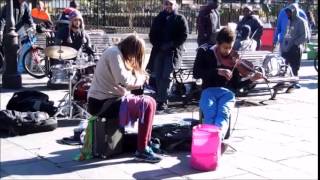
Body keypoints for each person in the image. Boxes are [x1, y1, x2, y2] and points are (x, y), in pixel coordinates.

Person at [87, 34, 162, 163]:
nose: (135, 57)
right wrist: (142, 79)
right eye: (136, 53)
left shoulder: (120, 54)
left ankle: (146, 144)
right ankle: (141, 150)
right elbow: (123, 80)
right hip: (101, 103)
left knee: (152, 102)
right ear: (132, 49)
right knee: (146, 105)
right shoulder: (114, 53)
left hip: (112, 99)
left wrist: (140, 76)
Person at [193, 27, 263, 140]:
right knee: (210, 112)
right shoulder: (204, 51)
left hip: (227, 93)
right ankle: (209, 141)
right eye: (225, 47)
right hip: (208, 90)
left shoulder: (234, 58)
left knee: (223, 113)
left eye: (230, 47)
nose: (228, 51)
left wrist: (251, 79)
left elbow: (236, 85)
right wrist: (217, 71)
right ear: (218, 43)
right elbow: (196, 73)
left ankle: (216, 140)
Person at [148, 0, 188, 110]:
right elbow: (152, 35)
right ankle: (160, 98)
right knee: (158, 75)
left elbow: (184, 35)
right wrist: (159, 44)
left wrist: (171, 44)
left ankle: (162, 100)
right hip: (159, 51)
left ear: (175, 5)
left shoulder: (180, 18)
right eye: (166, 4)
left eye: (171, 4)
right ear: (163, 5)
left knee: (166, 76)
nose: (168, 6)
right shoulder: (159, 17)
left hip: (172, 52)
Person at [280, 4, 308, 90]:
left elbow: (305, 36)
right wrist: (283, 44)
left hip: (295, 48)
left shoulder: (301, 21)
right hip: (286, 47)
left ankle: (295, 82)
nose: (288, 14)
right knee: (283, 66)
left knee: (294, 67)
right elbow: (287, 33)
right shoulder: (289, 21)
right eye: (287, 13)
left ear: (294, 12)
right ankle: (282, 82)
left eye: (289, 12)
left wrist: (295, 44)